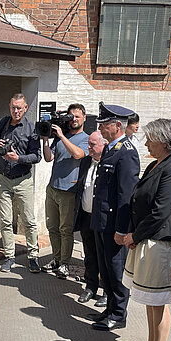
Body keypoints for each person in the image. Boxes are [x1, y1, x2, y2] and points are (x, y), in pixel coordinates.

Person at [121, 118, 171, 341]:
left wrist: (135, 236)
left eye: (150, 138)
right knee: (150, 298)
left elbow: (161, 212)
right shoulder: (155, 165)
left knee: (158, 298)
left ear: (163, 141)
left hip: (159, 241)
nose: (146, 141)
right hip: (147, 238)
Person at [88, 102, 140, 331]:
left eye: (104, 125)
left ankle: (119, 314)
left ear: (118, 125)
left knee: (116, 269)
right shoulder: (110, 148)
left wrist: (122, 229)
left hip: (113, 224)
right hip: (101, 220)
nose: (100, 130)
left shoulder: (127, 153)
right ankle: (110, 308)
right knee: (105, 268)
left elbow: (125, 195)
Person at [0, 93, 42, 273]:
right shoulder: (2, 124)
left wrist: (19, 158)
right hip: (3, 179)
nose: (16, 111)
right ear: (10, 107)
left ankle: (33, 256)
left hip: (23, 179)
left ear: (25, 108)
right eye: (13, 107)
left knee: (29, 221)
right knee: (5, 220)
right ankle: (9, 256)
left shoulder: (32, 129)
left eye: (19, 108)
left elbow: (37, 156)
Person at [41, 104, 89, 279]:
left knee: (65, 229)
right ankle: (56, 259)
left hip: (69, 190)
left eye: (77, 116)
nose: (74, 120)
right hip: (53, 187)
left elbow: (78, 154)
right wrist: (46, 139)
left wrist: (61, 136)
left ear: (84, 118)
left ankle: (65, 264)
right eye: (71, 116)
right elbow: (48, 157)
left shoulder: (86, 138)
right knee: (52, 227)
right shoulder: (61, 137)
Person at [73, 131, 108, 306]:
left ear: (103, 145)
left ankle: (108, 292)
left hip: (102, 219)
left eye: (93, 145)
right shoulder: (86, 162)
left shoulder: (109, 164)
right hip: (86, 216)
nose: (89, 148)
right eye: (89, 144)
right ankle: (90, 287)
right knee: (90, 254)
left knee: (105, 257)